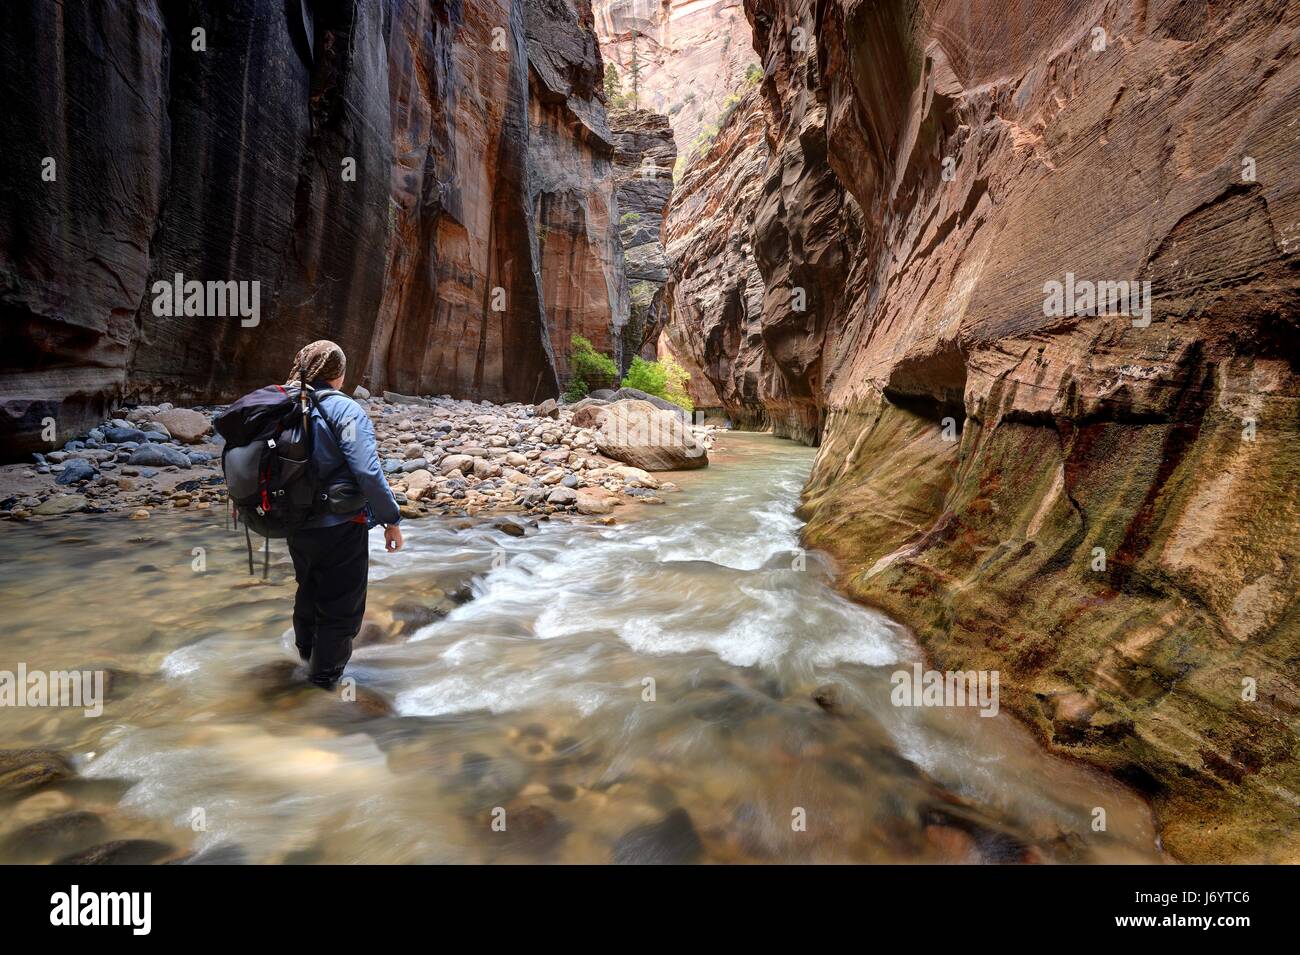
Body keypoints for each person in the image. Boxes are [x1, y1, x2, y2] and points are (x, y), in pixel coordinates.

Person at [284, 340, 402, 689]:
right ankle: (322, 684)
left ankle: (306, 661)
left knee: (309, 589)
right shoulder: (345, 410)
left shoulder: (286, 403)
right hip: (340, 524)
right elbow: (367, 472)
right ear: (338, 374)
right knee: (341, 606)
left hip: (294, 521)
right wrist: (391, 519)